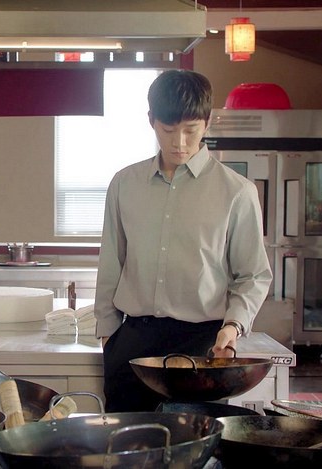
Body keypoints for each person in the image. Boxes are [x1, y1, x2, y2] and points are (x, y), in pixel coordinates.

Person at [94, 69, 273, 413]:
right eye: (168, 130)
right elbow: (111, 261)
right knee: (124, 440)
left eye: (191, 130)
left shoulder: (237, 192)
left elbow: (253, 275)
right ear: (151, 121)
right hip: (133, 341)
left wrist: (232, 327)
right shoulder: (124, 184)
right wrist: (109, 337)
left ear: (208, 122)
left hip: (202, 345)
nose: (179, 142)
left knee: (194, 440)